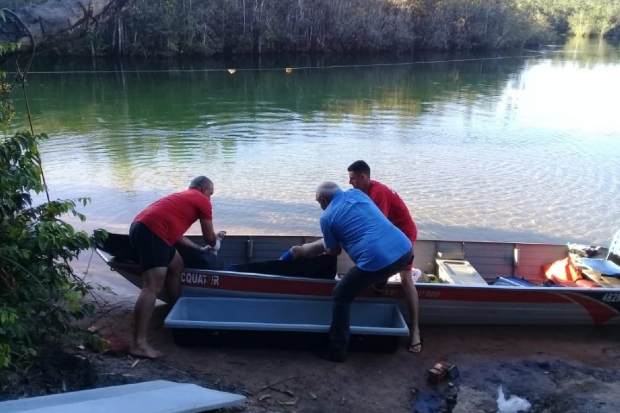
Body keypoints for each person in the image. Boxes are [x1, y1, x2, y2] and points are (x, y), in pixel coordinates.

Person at [313, 181, 413, 362]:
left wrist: (329, 244)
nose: (320, 207)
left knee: (340, 295)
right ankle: (379, 286)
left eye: (319, 203)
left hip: (380, 261)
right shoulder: (357, 194)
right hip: (405, 249)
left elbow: (334, 251)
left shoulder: (326, 218)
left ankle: (337, 350)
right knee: (379, 265)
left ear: (323, 200)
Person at [128, 176, 225, 359]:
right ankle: (138, 344)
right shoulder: (202, 201)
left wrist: (200, 250)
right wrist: (215, 245)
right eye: (211, 194)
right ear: (204, 189)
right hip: (152, 232)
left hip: (142, 227)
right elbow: (210, 238)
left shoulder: (181, 198)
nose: (210, 199)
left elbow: (179, 237)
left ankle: (174, 309)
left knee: (177, 264)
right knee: (152, 286)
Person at [347, 160, 422, 353]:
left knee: (406, 279)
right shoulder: (367, 191)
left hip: (403, 235)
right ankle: (382, 281)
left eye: (352, 179)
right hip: (392, 231)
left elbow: (376, 229)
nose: (350, 183)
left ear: (363, 177)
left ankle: (415, 331)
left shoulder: (378, 193)